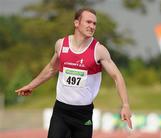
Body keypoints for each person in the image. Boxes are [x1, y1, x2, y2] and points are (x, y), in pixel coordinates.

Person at [15, 8, 132, 138]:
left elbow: (117, 77)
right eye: (88, 22)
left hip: (83, 114)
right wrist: (31, 85)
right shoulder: (61, 44)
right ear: (76, 23)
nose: (92, 26)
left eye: (94, 23)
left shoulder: (98, 50)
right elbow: (51, 68)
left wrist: (125, 105)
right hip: (61, 112)